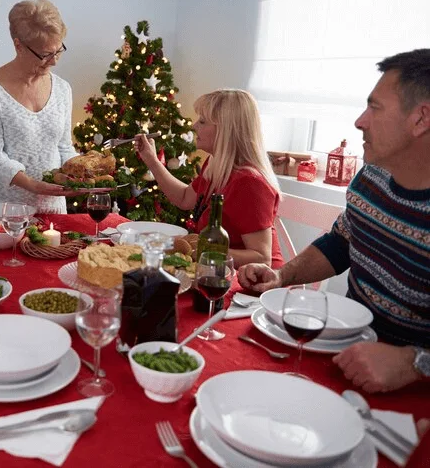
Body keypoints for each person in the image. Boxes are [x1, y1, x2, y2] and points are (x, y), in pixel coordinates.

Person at [238, 49, 430, 393]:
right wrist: (281, 276)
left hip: (412, 391)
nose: (360, 121)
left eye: (375, 107)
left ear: (421, 119)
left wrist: (414, 362)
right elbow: (342, 242)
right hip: (346, 355)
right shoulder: (372, 175)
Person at [135, 89, 282, 268]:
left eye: (202, 121)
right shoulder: (215, 165)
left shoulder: (249, 183)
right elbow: (184, 198)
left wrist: (199, 248)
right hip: (214, 270)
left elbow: (261, 259)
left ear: (226, 130)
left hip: (253, 286)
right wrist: (151, 160)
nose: (194, 126)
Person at [0, 0, 78, 214]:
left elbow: (64, 147)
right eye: (46, 54)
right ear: (18, 45)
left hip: (53, 211)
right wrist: (34, 186)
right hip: (1, 212)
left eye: (58, 51)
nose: (55, 61)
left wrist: (80, 172)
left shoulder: (62, 89)